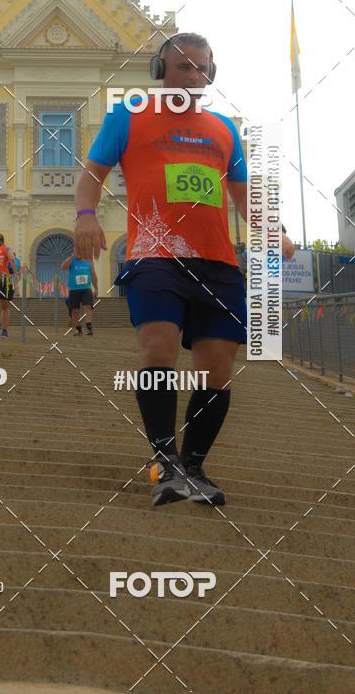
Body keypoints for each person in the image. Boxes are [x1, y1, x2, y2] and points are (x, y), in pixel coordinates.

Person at [75, 32, 294, 507]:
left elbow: (244, 195)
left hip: (218, 264)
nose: (193, 75)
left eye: (201, 68)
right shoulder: (128, 115)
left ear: (210, 74)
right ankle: (165, 464)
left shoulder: (223, 129)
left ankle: (193, 468)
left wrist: (274, 230)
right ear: (161, 70)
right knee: (159, 347)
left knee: (218, 370)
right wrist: (86, 216)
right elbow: (92, 173)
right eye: (182, 66)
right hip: (155, 257)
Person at [61, 254, 98, 336]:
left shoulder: (89, 261)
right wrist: (71, 257)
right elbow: (63, 267)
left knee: (88, 307)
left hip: (86, 289)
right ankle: (78, 329)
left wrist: (96, 288)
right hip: (73, 290)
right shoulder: (71, 260)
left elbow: (93, 275)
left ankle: (89, 328)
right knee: (75, 310)